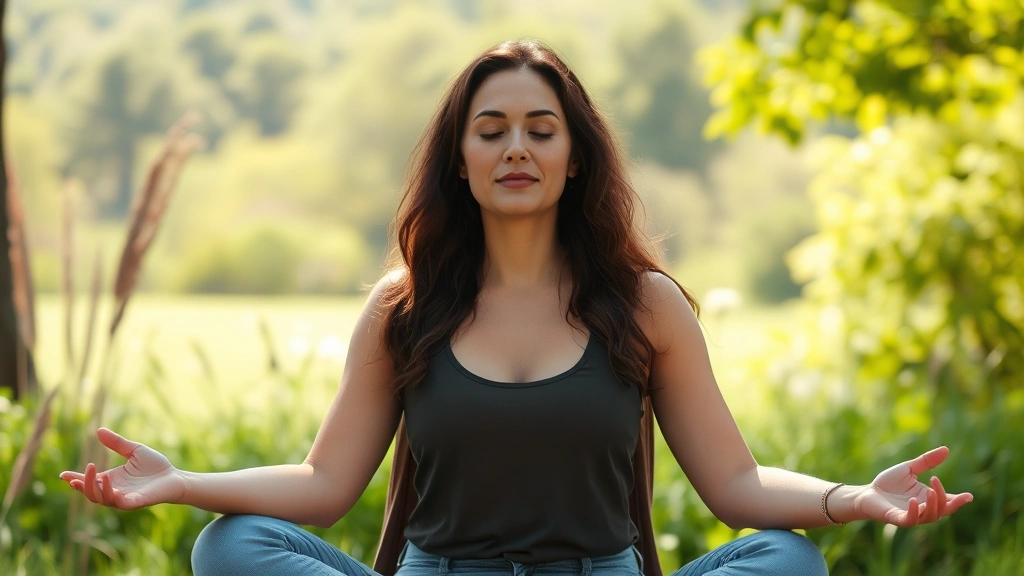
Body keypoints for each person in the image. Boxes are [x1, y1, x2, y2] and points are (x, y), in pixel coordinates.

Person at [60, 39, 973, 576]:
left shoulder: (645, 305)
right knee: (229, 548)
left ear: (578, 157)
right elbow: (322, 486)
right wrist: (180, 483)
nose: (516, 149)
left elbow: (736, 488)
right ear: (458, 159)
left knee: (787, 561)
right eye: (490, 131)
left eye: (542, 131)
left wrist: (855, 499)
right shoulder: (404, 306)